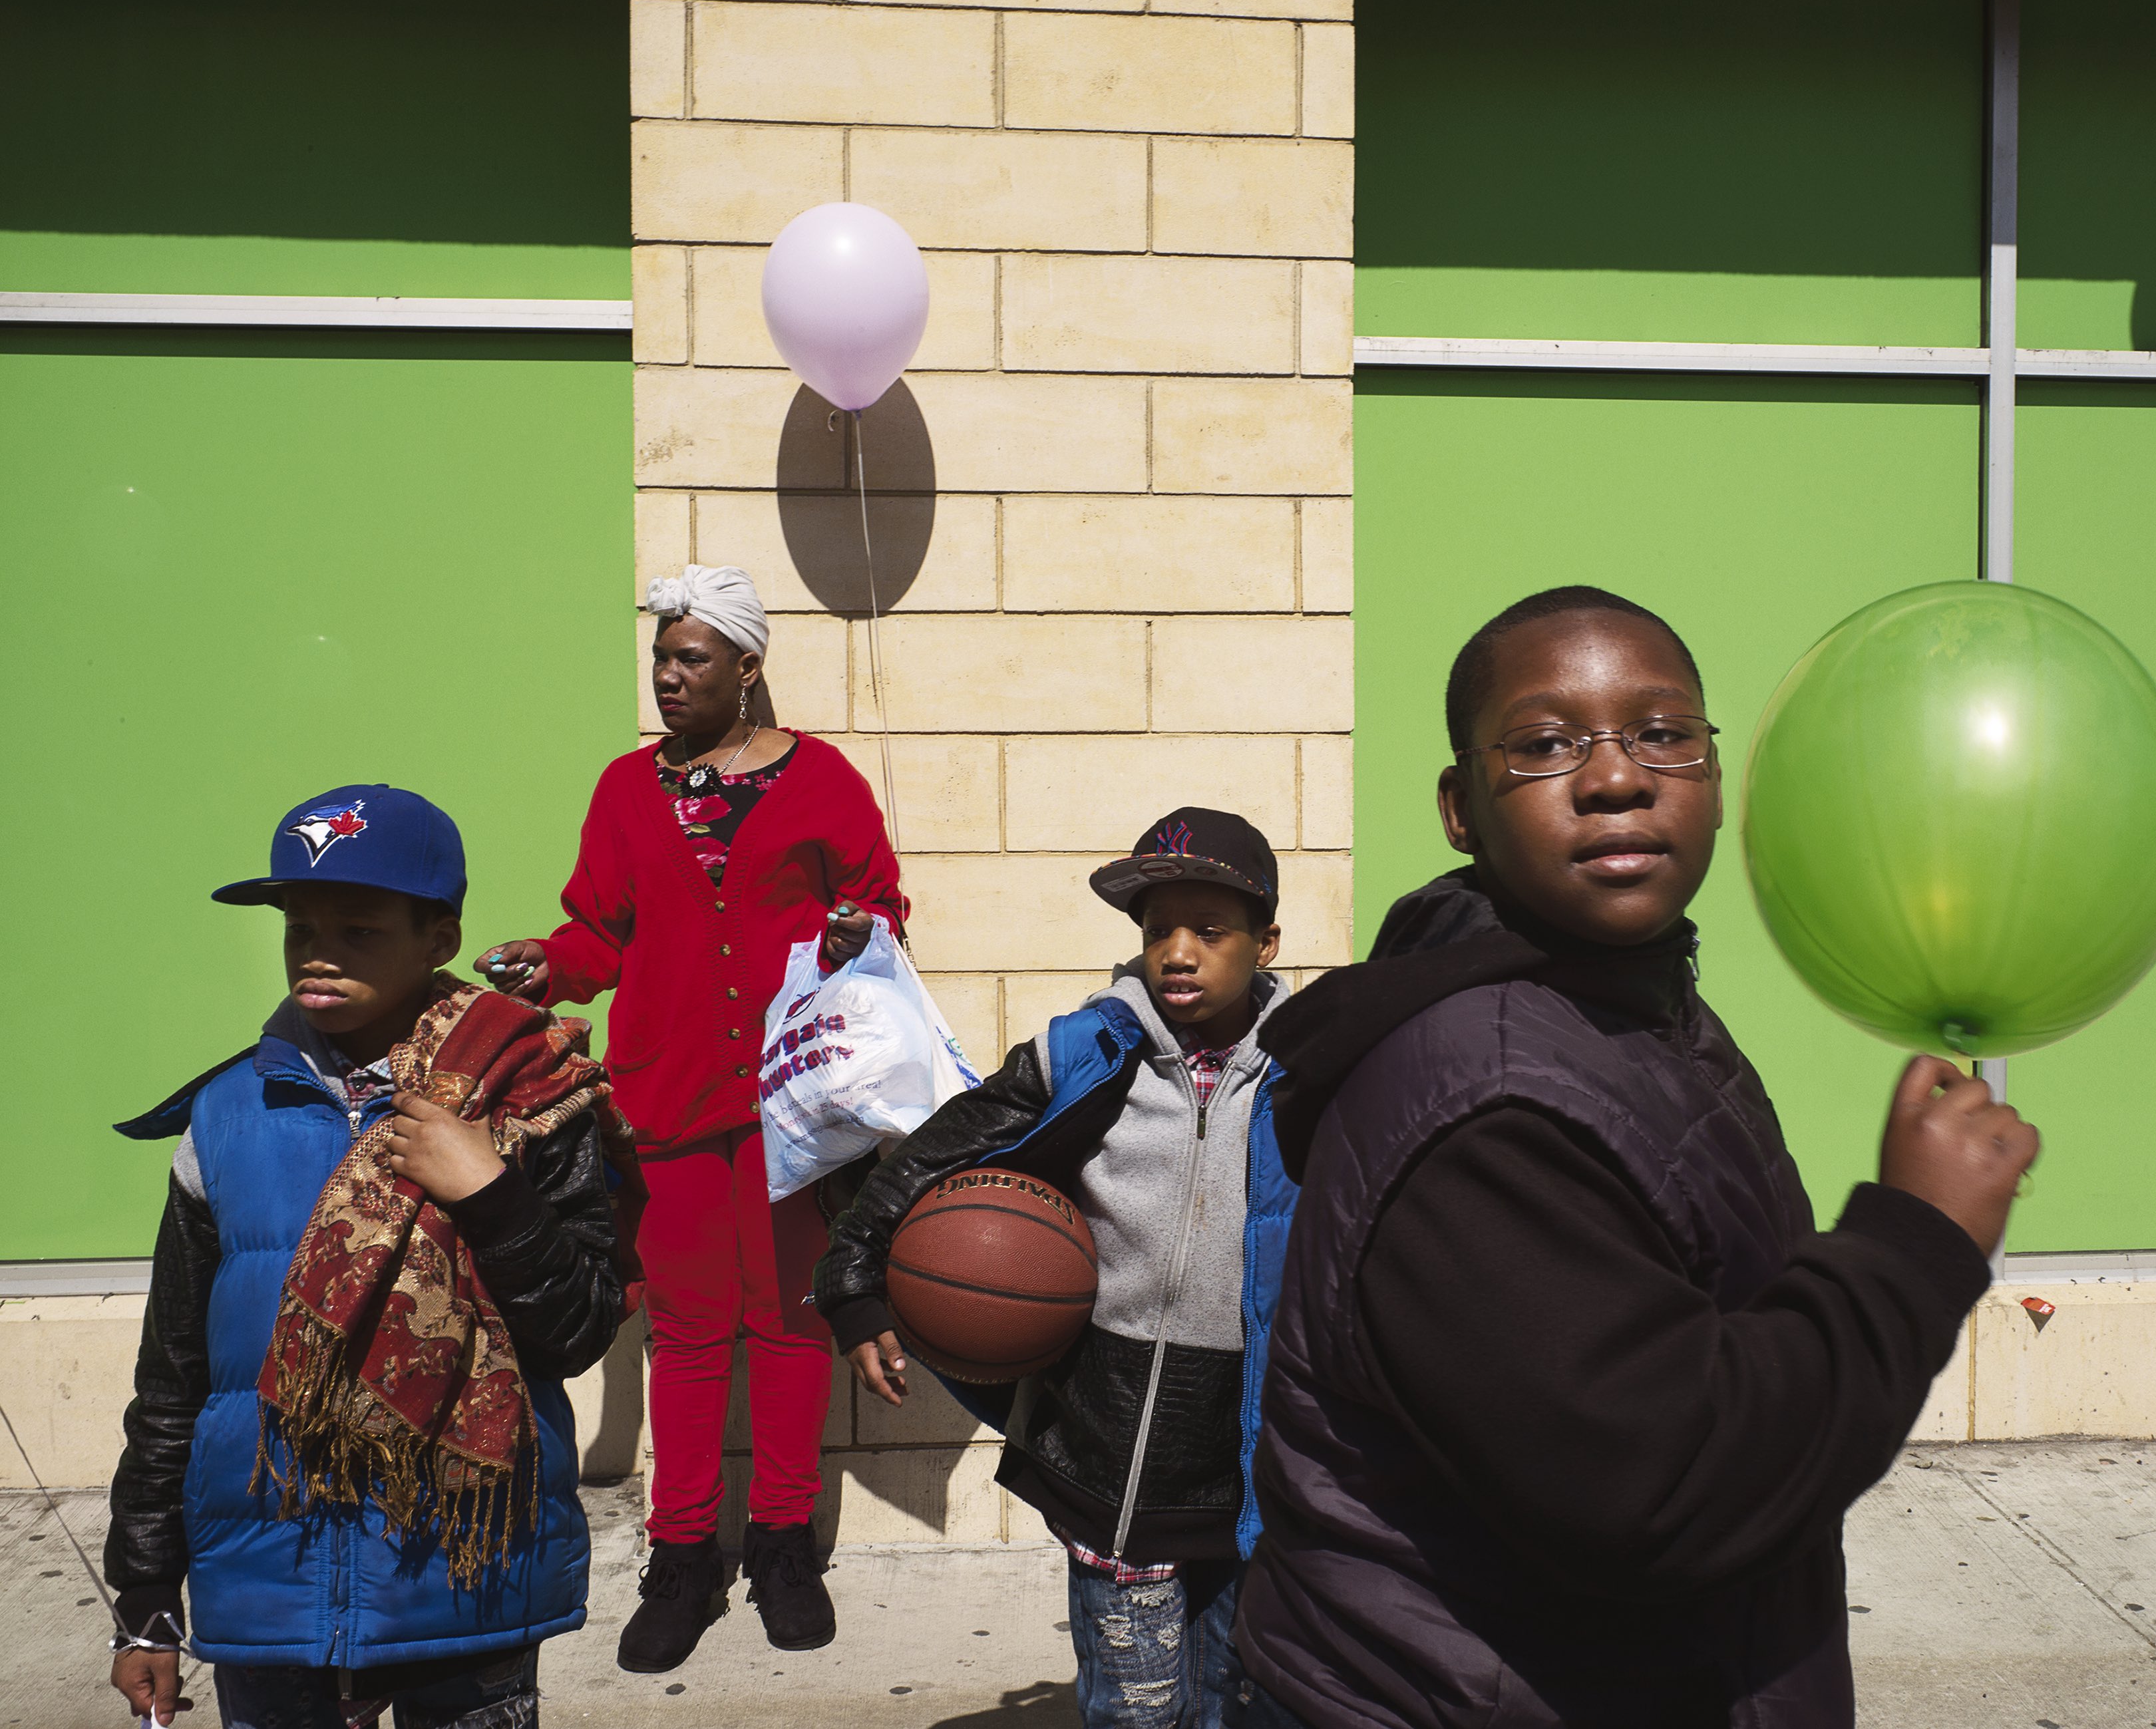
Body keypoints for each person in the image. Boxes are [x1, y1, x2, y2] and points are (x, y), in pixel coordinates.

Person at [1238, 587, 2043, 1728]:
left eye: (1663, 732)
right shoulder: (1481, 1106)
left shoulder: (1632, 1009)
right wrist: (1913, 1244)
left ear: (1714, 778)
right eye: (1546, 743)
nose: (1616, 775)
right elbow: (1669, 1485)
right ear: (1462, 807)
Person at [104, 784, 628, 1729]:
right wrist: (142, 1602)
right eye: (300, 924)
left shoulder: (534, 1096)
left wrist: (491, 1190)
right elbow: (174, 1380)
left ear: (439, 938)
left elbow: (580, 1327)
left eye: (358, 926)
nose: (318, 950)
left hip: (466, 1582)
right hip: (271, 1586)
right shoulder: (225, 1116)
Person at [479, 564, 908, 1672]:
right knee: (686, 1330)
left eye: (690, 659)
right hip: (668, 1099)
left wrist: (859, 930)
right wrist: (548, 966)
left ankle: (780, 1543)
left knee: (790, 1319)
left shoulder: (825, 781)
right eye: (661, 659)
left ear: (747, 668)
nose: (667, 678)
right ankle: (682, 1554)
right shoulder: (627, 791)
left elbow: (881, 902)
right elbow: (598, 933)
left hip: (792, 1102)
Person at [813, 808, 1296, 1729]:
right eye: (1159, 929)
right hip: (1106, 1448)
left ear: (1268, 940)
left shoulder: (1307, 1074)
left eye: (1210, 929)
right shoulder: (1089, 1053)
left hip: (1246, 1457)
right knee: (1138, 1711)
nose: (1179, 951)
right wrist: (853, 1282)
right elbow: (930, 1158)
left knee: (1241, 1703)